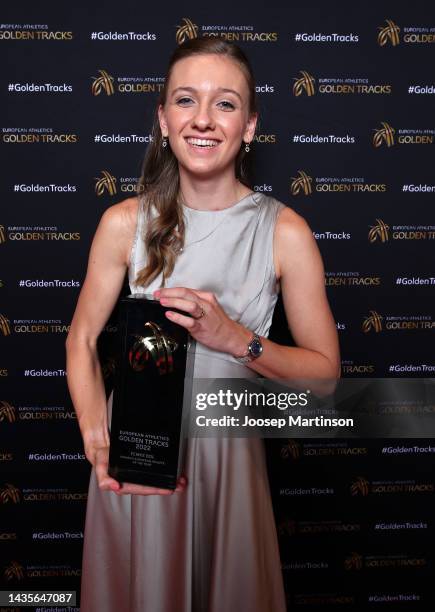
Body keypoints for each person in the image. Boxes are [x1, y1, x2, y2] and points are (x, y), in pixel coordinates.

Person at [66, 38, 340, 612]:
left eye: (226, 103)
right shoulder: (122, 222)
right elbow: (83, 339)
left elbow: (324, 380)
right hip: (136, 459)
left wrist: (234, 338)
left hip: (228, 456)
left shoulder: (285, 231)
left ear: (251, 125)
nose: (204, 120)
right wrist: (98, 440)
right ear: (163, 120)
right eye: (186, 100)